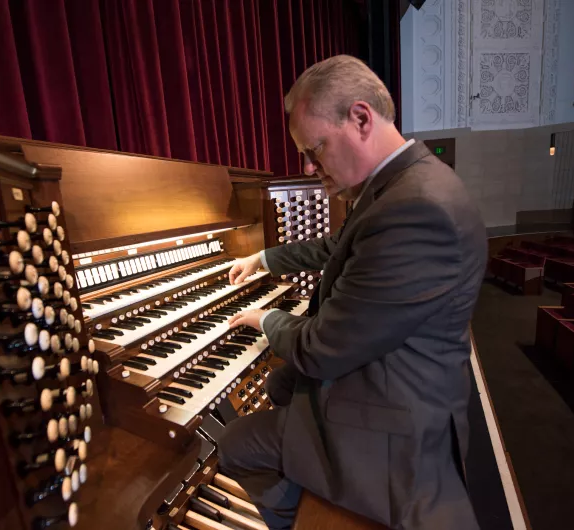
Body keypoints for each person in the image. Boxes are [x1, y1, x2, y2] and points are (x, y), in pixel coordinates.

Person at [218, 55, 486, 530]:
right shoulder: (403, 185)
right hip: (404, 375)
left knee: (234, 444)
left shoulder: (416, 209)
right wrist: (263, 259)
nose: (309, 164)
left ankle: (305, 514)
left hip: (398, 423)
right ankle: (306, 479)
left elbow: (321, 349)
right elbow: (338, 247)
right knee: (281, 384)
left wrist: (266, 320)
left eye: (315, 148)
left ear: (361, 118)